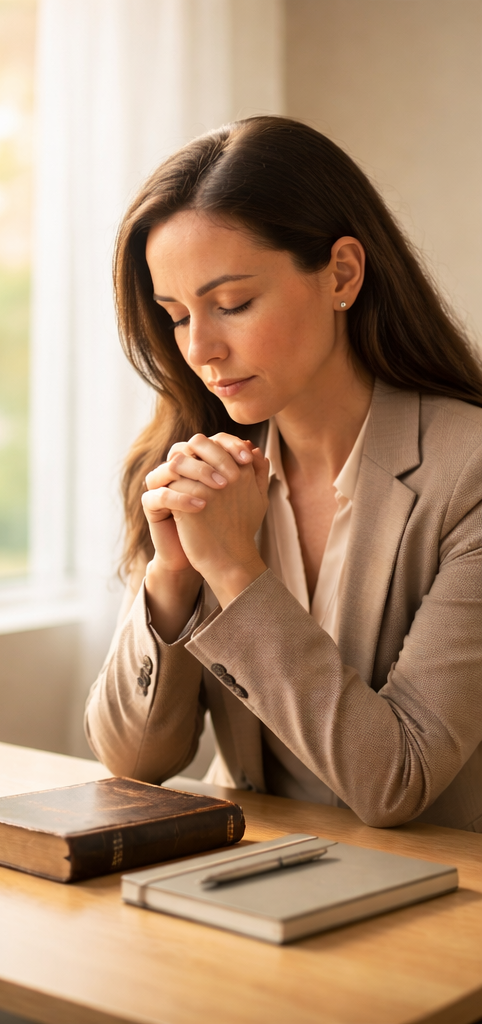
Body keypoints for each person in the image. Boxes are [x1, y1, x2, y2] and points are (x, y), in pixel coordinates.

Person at [84, 116, 482, 831]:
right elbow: (132, 761)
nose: (201, 347)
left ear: (341, 275)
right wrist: (171, 579)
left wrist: (236, 572)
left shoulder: (469, 473)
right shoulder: (194, 460)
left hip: (438, 907)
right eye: (175, 316)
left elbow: (398, 781)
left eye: (232, 304)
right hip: (248, 882)